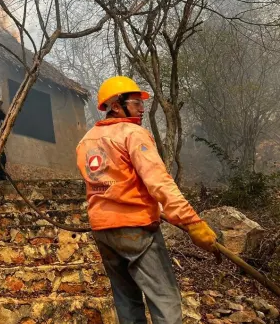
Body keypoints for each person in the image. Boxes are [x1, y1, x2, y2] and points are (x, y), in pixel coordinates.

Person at [75, 76, 218, 324]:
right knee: (165, 300)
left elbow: (104, 183)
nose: (141, 108)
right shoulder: (133, 134)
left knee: (127, 301)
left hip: (103, 231)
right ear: (116, 105)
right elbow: (159, 181)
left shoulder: (85, 141)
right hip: (136, 231)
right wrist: (192, 222)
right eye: (135, 102)